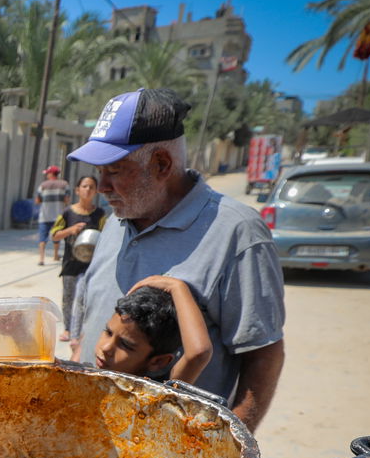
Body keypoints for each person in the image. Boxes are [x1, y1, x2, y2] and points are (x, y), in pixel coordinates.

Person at [67, 88, 285, 431]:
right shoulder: (117, 218)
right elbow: (95, 303)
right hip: (90, 426)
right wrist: (80, 347)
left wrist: (229, 445)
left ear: (161, 164)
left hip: (164, 446)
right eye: (99, 172)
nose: (102, 186)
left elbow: (263, 355)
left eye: (115, 171)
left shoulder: (238, 233)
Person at [92, 276, 213, 384]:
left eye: (125, 345)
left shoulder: (158, 394)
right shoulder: (87, 375)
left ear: (158, 362)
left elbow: (198, 353)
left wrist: (177, 287)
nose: (106, 348)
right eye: (108, 332)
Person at [50, 175, 106, 341]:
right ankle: (68, 329)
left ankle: (79, 332)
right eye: (84, 186)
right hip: (70, 263)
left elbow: (106, 237)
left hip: (90, 265)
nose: (87, 190)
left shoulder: (100, 214)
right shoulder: (68, 213)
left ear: (96, 191)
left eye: (91, 187)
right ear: (77, 190)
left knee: (83, 298)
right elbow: (54, 235)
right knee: (68, 298)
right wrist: (70, 230)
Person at [35, 165, 69, 265]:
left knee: (42, 238)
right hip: (58, 216)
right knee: (56, 236)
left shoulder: (43, 185)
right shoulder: (64, 184)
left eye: (47, 173)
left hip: (44, 216)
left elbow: (37, 200)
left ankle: (41, 259)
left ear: (51, 174)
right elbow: (67, 200)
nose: (46, 175)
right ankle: (55, 255)